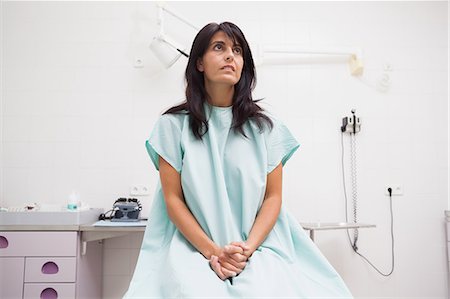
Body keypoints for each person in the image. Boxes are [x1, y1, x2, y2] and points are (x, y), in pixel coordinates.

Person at [124, 22, 353, 298]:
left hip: (260, 244)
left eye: (237, 50)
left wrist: (245, 251)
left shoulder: (266, 129)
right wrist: (213, 252)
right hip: (192, 246)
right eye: (219, 48)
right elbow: (173, 199)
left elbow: (273, 198)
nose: (230, 56)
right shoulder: (172, 127)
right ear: (199, 62)